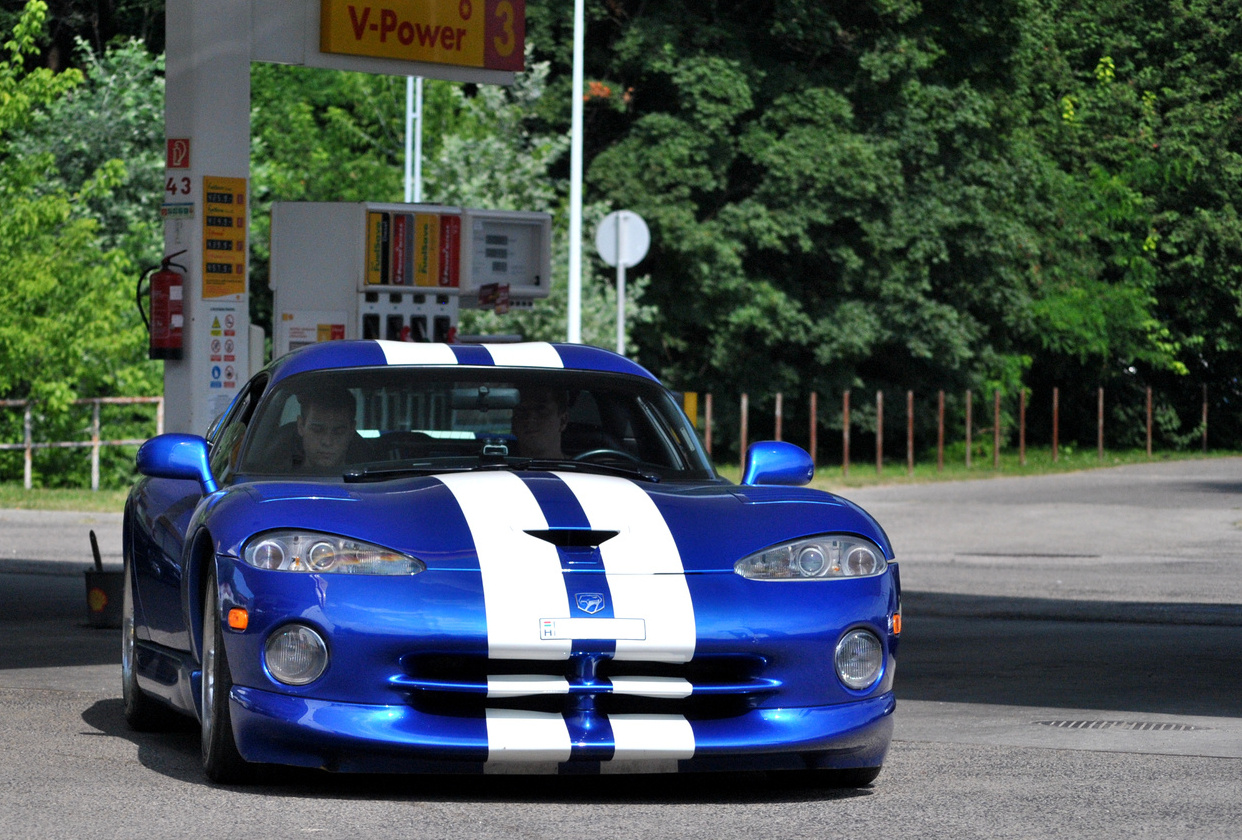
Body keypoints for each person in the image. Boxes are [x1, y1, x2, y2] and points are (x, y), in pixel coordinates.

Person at [296, 388, 358, 471]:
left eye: (338, 432)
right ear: (300, 426)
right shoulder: (279, 478)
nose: (327, 442)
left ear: (351, 431)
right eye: (317, 430)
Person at [512, 385, 569, 459]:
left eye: (541, 409)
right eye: (522, 410)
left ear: (563, 421)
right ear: (513, 424)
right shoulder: (497, 468)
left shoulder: (583, 469)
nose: (530, 419)